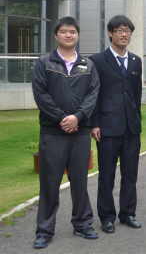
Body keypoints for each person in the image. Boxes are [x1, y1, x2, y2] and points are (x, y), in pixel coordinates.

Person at [31, 17, 100, 249]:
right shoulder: (44, 63)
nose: (68, 35)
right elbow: (40, 95)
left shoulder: (88, 65)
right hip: (52, 132)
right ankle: (44, 230)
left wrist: (77, 117)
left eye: (72, 31)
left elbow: (93, 94)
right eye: (63, 31)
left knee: (80, 180)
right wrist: (63, 118)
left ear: (77, 35)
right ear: (56, 35)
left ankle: (82, 224)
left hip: (80, 133)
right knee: (49, 182)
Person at [89, 15, 142, 234]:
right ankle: (107, 217)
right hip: (107, 127)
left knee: (130, 174)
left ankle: (128, 213)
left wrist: (137, 119)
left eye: (128, 30)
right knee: (107, 175)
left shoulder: (136, 61)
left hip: (131, 127)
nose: (124, 34)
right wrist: (94, 123)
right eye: (119, 30)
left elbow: (136, 94)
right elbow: (93, 94)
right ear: (110, 33)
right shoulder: (97, 60)